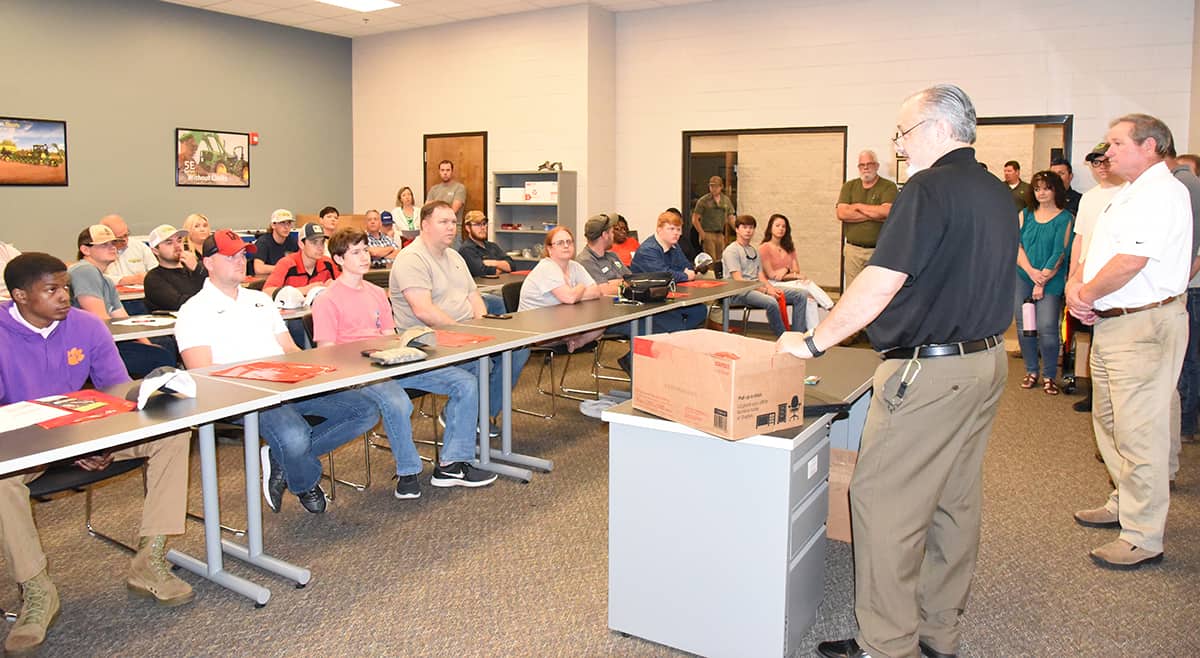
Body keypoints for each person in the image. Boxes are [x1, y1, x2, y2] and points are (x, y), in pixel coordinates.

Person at [780, 84, 1014, 658]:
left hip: (929, 375)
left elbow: (880, 281)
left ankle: (887, 645)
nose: (899, 147)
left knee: (882, 503)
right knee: (954, 502)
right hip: (985, 363)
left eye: (903, 134)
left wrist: (813, 343)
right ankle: (939, 632)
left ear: (936, 129)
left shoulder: (927, 190)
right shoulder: (995, 191)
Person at [0, 253, 194, 654]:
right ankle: (36, 588)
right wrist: (67, 450)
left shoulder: (86, 325)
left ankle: (149, 560)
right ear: (19, 296)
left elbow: (116, 388)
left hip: (88, 434)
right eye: (51, 290)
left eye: (66, 287)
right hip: (24, 447)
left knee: (173, 433)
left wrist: (105, 440)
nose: (64, 297)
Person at [175, 229, 381, 513]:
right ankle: (303, 478)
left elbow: (290, 349)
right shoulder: (194, 311)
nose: (239, 260)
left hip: (288, 383)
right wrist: (260, 380)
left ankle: (280, 456)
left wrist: (322, 371)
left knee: (365, 410)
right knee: (294, 436)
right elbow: (203, 374)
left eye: (242, 255)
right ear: (208, 262)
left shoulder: (259, 301)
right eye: (230, 256)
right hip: (243, 395)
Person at [1066, 113, 1190, 570]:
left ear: (1151, 145)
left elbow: (1130, 261)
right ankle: (1126, 500)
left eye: (1117, 143)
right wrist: (1079, 290)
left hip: (1144, 324)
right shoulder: (1127, 193)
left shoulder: (1162, 193)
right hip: (1113, 321)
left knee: (1140, 432)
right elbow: (1097, 252)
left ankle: (1142, 535)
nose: (1108, 152)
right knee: (1111, 421)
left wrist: (1086, 294)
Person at [312, 228, 496, 497]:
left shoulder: (376, 293)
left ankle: (452, 464)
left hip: (389, 361)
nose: (364, 257)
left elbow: (388, 335)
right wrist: (367, 355)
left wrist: (404, 348)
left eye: (365, 249)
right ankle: (408, 472)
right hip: (357, 372)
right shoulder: (327, 300)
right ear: (338, 259)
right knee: (398, 401)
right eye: (355, 252)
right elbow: (326, 352)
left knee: (465, 382)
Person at [389, 201, 529, 435]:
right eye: (443, 222)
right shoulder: (411, 259)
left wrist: (482, 328)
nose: (451, 227)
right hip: (428, 340)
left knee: (518, 350)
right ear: (424, 225)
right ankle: (462, 423)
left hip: (464, 332)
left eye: (453, 222)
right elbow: (424, 310)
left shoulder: (454, 256)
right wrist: (464, 335)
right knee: (478, 363)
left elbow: (474, 297)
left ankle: (480, 415)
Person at [68, 225, 175, 378]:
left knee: (161, 347)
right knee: (159, 357)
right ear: (85, 250)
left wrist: (147, 344)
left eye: (113, 243)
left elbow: (124, 321)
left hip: (100, 342)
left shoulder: (106, 281)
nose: (112, 247)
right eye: (104, 244)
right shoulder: (84, 270)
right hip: (84, 348)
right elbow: (100, 321)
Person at [1069, 143, 1126, 414]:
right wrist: (1072, 281)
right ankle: (1095, 396)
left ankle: (1114, 404)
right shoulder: (1090, 198)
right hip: (1086, 279)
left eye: (1105, 161)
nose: (1101, 167)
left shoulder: (1128, 193)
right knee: (1093, 341)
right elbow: (1080, 240)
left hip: (1115, 282)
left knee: (1117, 351)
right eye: (1095, 163)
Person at [1015, 170, 1073, 395]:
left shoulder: (1065, 218)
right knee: (1025, 327)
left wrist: (1042, 280)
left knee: (1048, 327)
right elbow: (1017, 246)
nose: (1041, 193)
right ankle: (1031, 371)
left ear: (1055, 190)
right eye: (1037, 189)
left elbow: (1060, 251)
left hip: (1051, 279)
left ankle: (1049, 375)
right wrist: (1030, 272)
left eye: (1046, 188)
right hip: (1023, 276)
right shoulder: (1025, 214)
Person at [519, 226, 604, 351]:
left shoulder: (574, 266)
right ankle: (572, 338)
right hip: (536, 326)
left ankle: (578, 341)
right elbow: (569, 298)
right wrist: (580, 286)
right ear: (550, 249)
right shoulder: (547, 267)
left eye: (569, 242)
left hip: (560, 319)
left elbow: (596, 291)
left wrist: (575, 294)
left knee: (602, 320)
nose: (566, 246)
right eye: (560, 243)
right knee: (589, 320)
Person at [722, 215, 807, 337]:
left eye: (751, 228)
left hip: (756, 288)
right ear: (737, 229)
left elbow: (761, 276)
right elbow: (739, 280)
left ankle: (798, 336)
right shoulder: (732, 251)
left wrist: (770, 288)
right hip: (738, 292)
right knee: (771, 302)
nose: (748, 231)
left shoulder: (753, 250)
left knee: (801, 295)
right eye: (744, 227)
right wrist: (765, 291)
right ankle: (784, 338)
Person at [631, 210, 708, 332]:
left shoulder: (674, 246)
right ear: (659, 229)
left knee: (700, 311)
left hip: (666, 295)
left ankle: (674, 338)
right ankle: (670, 339)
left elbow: (686, 266)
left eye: (678, 229)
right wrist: (685, 275)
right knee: (676, 324)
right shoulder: (648, 250)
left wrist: (683, 274)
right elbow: (664, 275)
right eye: (671, 229)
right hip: (647, 300)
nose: (676, 233)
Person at [1170, 144, 1200, 446]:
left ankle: (1188, 424)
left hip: (1191, 290)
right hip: (1182, 289)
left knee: (1189, 359)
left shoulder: (1189, 194)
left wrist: (1179, 281)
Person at [836, 150, 898, 291]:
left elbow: (887, 212)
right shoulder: (849, 186)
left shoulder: (888, 186)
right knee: (852, 292)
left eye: (869, 164)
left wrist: (857, 207)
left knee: (876, 292)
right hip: (853, 251)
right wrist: (875, 214)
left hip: (878, 251)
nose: (865, 168)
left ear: (876, 166)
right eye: (862, 165)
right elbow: (841, 213)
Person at [262, 223, 337, 301]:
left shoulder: (328, 263)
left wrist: (335, 285)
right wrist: (305, 290)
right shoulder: (286, 263)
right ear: (301, 244)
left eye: (322, 242)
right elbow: (267, 291)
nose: (320, 247)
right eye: (314, 243)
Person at [143, 224, 206, 313]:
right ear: (155, 251)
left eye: (179, 241)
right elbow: (181, 304)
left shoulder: (195, 268)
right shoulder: (154, 278)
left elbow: (220, 289)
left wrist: (198, 269)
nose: (177, 246)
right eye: (169, 243)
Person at [99, 214, 158, 287]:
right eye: (119, 238)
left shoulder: (140, 247)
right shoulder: (97, 252)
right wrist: (129, 280)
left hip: (141, 295)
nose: (125, 240)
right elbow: (96, 278)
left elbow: (156, 272)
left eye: (126, 235)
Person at [691, 175, 736, 262]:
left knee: (721, 259)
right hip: (708, 232)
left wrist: (737, 230)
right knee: (710, 259)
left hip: (720, 233)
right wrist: (702, 233)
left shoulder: (726, 200)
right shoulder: (703, 200)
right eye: (711, 186)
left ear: (721, 187)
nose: (714, 188)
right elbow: (695, 219)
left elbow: (731, 217)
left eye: (716, 186)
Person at [458, 210, 513, 277]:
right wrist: (503, 267)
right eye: (478, 224)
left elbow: (512, 266)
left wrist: (492, 263)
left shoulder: (492, 246)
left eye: (484, 224)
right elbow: (482, 272)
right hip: (482, 286)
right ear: (468, 228)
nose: (483, 228)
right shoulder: (466, 249)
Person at [759, 213, 807, 282]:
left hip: (790, 282)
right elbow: (772, 275)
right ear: (770, 228)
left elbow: (796, 270)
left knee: (809, 285)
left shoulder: (789, 247)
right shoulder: (764, 248)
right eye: (777, 226)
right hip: (772, 284)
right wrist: (795, 275)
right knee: (804, 291)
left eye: (783, 226)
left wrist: (786, 270)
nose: (781, 229)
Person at [252, 209, 299, 276]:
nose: (286, 227)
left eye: (289, 223)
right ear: (273, 225)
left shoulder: (293, 242)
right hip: (265, 280)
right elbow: (259, 269)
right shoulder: (263, 242)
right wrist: (283, 268)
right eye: (282, 223)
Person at [427, 160, 467, 227]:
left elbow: (452, 211)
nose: (445, 173)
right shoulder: (433, 189)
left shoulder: (459, 188)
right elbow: (428, 209)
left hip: (453, 226)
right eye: (442, 170)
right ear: (439, 172)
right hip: (436, 226)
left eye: (448, 170)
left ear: (452, 171)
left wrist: (436, 205)